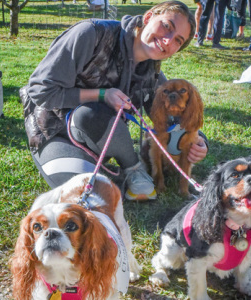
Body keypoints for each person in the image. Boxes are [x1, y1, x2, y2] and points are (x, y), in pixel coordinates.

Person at [20, 0, 208, 201]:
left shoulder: (151, 71)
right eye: (167, 26)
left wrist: (200, 142)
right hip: (52, 131)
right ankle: (123, 169)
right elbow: (40, 91)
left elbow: (174, 117)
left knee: (100, 193)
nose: (168, 40)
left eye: (178, 40)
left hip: (98, 139)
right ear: (148, 17)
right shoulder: (91, 34)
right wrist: (101, 94)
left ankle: (131, 169)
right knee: (83, 195)